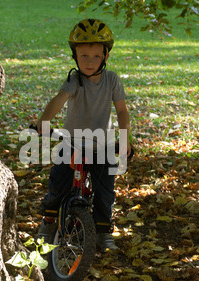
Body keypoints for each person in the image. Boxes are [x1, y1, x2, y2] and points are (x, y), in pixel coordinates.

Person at [34, 19, 131, 251]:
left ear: (106, 56)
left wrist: (126, 137)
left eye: (96, 56)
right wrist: (43, 121)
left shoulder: (112, 80)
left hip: (102, 146)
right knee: (59, 184)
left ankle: (102, 231)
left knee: (105, 193)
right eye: (84, 56)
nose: (89, 61)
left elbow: (122, 110)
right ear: (75, 57)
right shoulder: (74, 80)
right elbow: (59, 99)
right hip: (73, 143)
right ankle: (48, 223)